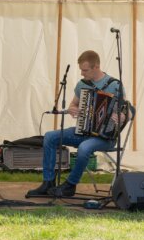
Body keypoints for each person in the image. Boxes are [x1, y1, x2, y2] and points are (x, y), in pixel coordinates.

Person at [27, 50, 128, 197]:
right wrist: (73, 110)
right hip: (83, 131)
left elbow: (129, 110)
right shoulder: (83, 85)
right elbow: (72, 105)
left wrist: (122, 115)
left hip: (105, 138)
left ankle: (70, 185)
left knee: (84, 147)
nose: (82, 73)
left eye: (85, 70)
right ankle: (48, 182)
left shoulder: (114, 85)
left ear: (96, 67)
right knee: (49, 137)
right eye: (81, 69)